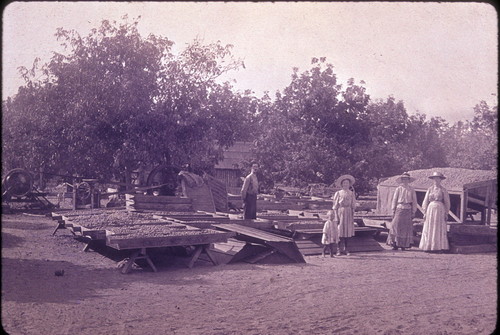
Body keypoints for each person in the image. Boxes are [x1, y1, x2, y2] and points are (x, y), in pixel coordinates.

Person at [419, 171, 450, 252]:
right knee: (430, 226)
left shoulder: (443, 190)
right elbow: (425, 201)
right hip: (430, 209)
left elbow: (447, 202)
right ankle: (428, 246)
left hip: (440, 209)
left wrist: (446, 212)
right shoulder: (429, 189)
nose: (436, 180)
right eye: (435, 179)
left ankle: (439, 247)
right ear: (433, 180)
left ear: (440, 180)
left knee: (438, 227)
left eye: (438, 179)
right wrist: (424, 212)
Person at [386, 172, 418, 251]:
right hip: (399, 208)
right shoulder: (398, 189)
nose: (405, 181)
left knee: (405, 227)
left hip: (408, 209)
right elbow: (394, 200)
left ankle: (404, 244)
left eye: (406, 179)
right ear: (401, 180)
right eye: (403, 179)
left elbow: (414, 201)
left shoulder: (411, 189)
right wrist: (393, 209)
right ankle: (395, 243)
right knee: (396, 225)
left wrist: (413, 211)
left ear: (409, 180)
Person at [332, 174, 356, 256]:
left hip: (348, 212)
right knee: (340, 231)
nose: (346, 184)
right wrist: (336, 216)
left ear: (349, 184)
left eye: (347, 183)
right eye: (344, 183)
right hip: (340, 212)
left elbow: (353, 205)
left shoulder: (351, 193)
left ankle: (346, 249)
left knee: (347, 231)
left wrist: (352, 214)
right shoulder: (338, 193)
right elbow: (335, 206)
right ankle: (338, 249)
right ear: (342, 184)